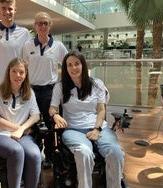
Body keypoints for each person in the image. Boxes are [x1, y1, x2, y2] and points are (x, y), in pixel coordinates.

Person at [49, 50, 125, 188]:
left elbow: (101, 110)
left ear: (83, 65)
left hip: (99, 127)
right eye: (69, 65)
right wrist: (55, 115)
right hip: (73, 130)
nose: (73, 68)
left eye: (77, 64)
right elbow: (52, 107)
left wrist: (97, 129)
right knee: (84, 152)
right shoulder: (60, 86)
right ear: (65, 68)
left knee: (116, 152)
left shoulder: (97, 84)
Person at [22, 11, 68, 169]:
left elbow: (68, 66)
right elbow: (23, 68)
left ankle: (48, 156)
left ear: (50, 26)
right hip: (32, 91)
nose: (42, 26)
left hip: (51, 91)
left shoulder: (58, 46)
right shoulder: (28, 46)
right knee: (33, 124)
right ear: (35, 26)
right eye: (39, 23)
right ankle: (35, 154)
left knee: (49, 125)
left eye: (46, 23)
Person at [0, 57, 41, 188]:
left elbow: (36, 116)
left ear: (26, 74)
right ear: (8, 72)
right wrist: (19, 128)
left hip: (21, 135)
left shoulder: (29, 92)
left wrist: (21, 130)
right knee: (16, 151)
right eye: (14, 71)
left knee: (34, 154)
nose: (18, 75)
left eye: (21, 72)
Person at [0, 0, 31, 86]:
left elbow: (32, 55)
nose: (7, 12)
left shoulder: (24, 33)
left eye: (10, 9)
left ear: (15, 10)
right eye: (4, 8)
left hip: (18, 84)